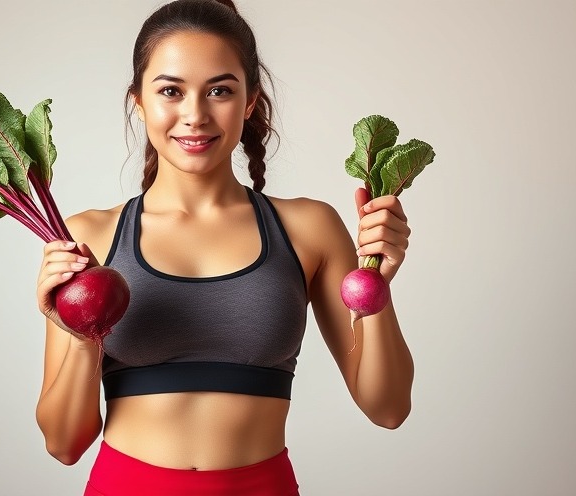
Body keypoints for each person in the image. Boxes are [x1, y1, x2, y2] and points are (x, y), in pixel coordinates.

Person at [34, 1, 414, 494]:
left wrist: (375, 286)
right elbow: (64, 444)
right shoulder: (90, 236)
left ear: (250, 101)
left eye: (219, 90)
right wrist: (84, 332)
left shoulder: (309, 228)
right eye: (170, 90)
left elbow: (387, 408)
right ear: (139, 101)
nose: (195, 115)